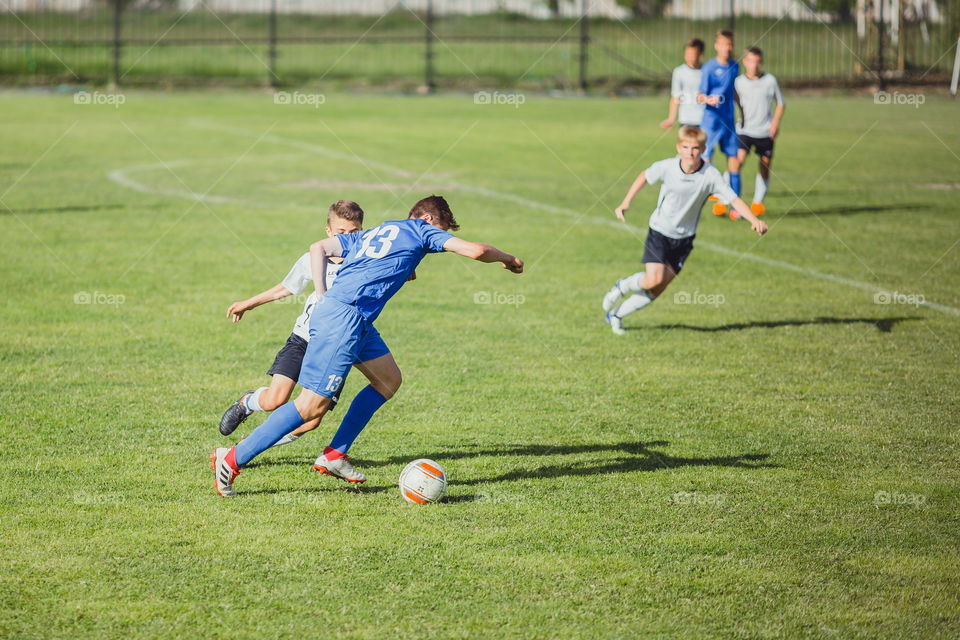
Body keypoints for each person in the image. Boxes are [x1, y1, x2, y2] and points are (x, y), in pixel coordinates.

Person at [211, 195, 524, 497]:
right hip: (343, 318)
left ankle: (335, 454)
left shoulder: (375, 232)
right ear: (427, 219)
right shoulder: (420, 229)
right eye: (439, 231)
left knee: (389, 380)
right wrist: (508, 259)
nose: (436, 240)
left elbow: (321, 247)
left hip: (357, 319)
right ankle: (232, 459)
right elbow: (476, 250)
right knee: (310, 407)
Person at [216, 201, 364, 449]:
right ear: (328, 231)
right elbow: (286, 287)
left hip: (335, 346)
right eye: (341, 233)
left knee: (311, 420)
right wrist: (249, 303)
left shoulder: (365, 261)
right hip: (304, 339)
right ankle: (248, 402)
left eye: (354, 233)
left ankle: (245, 448)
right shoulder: (313, 258)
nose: (347, 239)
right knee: (275, 399)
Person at [602, 126, 768, 335]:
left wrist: (753, 219)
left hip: (684, 239)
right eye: (686, 147)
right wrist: (626, 202)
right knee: (653, 278)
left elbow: (733, 199)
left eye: (696, 148)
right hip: (660, 231)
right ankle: (622, 286)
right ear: (678, 147)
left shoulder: (710, 175)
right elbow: (644, 175)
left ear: (703, 149)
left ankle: (616, 315)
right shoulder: (668, 167)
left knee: (658, 288)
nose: (690, 153)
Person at [735, 46, 785, 216]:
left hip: (765, 132)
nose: (754, 65)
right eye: (750, 61)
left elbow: (781, 103)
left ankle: (757, 202)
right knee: (737, 162)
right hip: (744, 130)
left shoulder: (770, 80)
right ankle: (732, 202)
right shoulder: (738, 82)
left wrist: (775, 124)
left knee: (764, 166)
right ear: (744, 62)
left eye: (757, 62)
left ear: (761, 62)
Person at [697, 29, 741, 218]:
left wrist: (743, 110)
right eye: (724, 44)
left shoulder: (735, 66)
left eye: (730, 44)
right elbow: (699, 95)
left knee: (734, 161)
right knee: (705, 160)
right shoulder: (708, 68)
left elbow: (734, 91)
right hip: (711, 122)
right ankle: (701, 198)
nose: (727, 48)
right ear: (716, 46)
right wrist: (708, 99)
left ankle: (736, 205)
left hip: (729, 122)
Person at [660, 38, 706, 130]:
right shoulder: (679, 72)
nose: (689, 57)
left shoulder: (707, 71)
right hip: (686, 119)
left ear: (700, 55)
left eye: (693, 54)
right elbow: (675, 96)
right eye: (687, 54)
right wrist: (671, 119)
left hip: (704, 119)